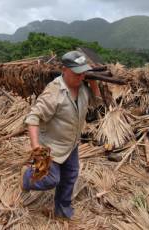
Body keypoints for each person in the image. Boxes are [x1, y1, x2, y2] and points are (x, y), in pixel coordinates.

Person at [21, 50, 98, 219]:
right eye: (76, 73)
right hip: (52, 146)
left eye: (83, 72)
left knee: (70, 176)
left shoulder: (83, 88)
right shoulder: (54, 92)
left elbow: (95, 102)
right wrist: (36, 148)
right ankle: (26, 178)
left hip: (71, 143)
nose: (81, 76)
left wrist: (93, 83)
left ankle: (62, 210)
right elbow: (33, 117)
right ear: (64, 69)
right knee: (50, 180)